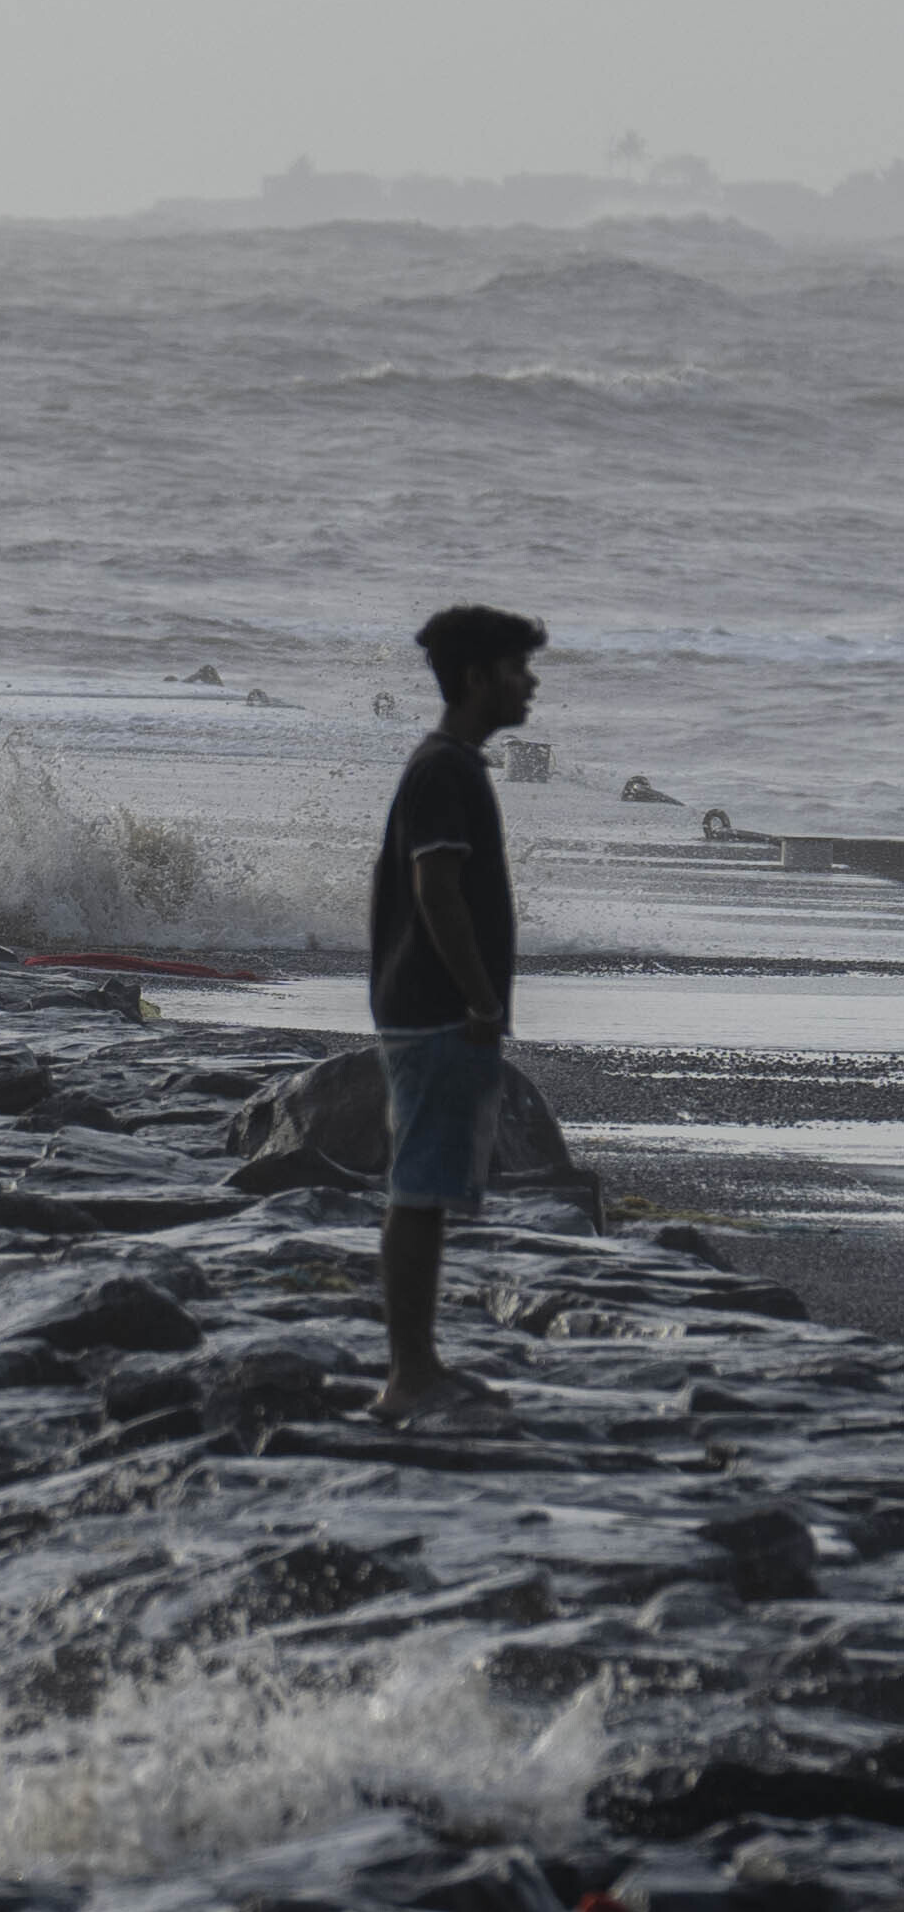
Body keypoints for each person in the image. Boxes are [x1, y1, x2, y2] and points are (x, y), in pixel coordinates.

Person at [367, 602, 545, 1428]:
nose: (529, 684)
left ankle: (421, 1361)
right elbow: (435, 893)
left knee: (429, 1191)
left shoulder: (454, 764)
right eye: (515, 669)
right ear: (476, 678)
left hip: (435, 1009)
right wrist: (478, 998)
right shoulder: (444, 769)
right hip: (437, 1011)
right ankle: (407, 1374)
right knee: (418, 1189)